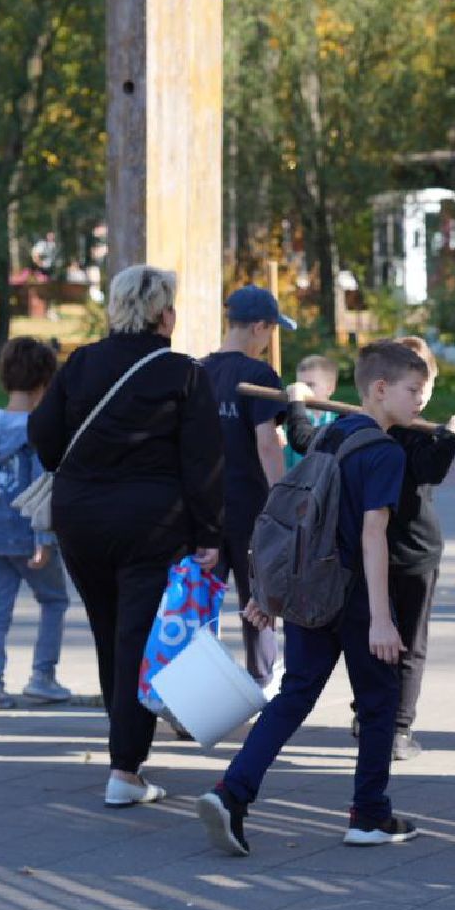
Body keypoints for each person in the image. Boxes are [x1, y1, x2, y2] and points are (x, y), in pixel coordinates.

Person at [196, 342, 429, 856]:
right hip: (355, 596)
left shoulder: (329, 436)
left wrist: (270, 592)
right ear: (380, 389)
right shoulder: (384, 453)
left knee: (295, 695)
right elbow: (374, 536)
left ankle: (232, 792)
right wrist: (382, 619)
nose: (421, 402)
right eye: (414, 391)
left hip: (309, 588)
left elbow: (295, 517)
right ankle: (369, 815)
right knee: (378, 703)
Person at [30, 265, 223, 808]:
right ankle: (125, 769)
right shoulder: (183, 374)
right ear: (165, 314)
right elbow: (204, 461)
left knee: (109, 630)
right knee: (136, 638)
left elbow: (44, 440)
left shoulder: (82, 363)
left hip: (81, 519)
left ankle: (125, 752)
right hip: (152, 523)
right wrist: (211, 532)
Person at [366, 336, 455, 761]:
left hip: (413, 553)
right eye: (414, 389)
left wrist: (447, 437)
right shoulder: (381, 430)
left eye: (426, 388)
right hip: (381, 551)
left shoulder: (420, 433)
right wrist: (451, 438)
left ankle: (395, 726)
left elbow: (430, 472)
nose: (421, 398)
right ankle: (383, 722)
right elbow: (431, 468)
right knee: (388, 640)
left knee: (404, 641)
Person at [200, 286, 297, 686]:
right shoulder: (260, 376)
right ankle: (262, 679)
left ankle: (199, 680)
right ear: (259, 327)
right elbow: (267, 444)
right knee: (258, 596)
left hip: (205, 510)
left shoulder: (199, 370)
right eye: (271, 331)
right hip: (250, 508)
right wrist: (282, 501)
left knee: (202, 598)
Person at [0, 337, 71, 711]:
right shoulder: (37, 430)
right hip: (31, 536)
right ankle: (42, 676)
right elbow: (40, 486)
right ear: (45, 383)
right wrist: (45, 538)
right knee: (54, 600)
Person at [283, 355, 338, 470]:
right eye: (300, 386)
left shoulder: (341, 422)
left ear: (330, 388)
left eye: (310, 385)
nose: (303, 391)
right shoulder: (290, 424)